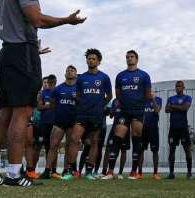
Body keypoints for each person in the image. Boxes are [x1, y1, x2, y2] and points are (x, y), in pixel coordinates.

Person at [0, 0, 86, 188]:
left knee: (6, 114)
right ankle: (13, 174)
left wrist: (31, 49)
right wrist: (66, 20)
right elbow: (37, 19)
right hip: (21, 54)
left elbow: (21, 24)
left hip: (10, 52)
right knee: (22, 113)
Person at [63, 49, 112, 180]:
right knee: (74, 139)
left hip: (97, 115)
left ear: (99, 61)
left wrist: (100, 106)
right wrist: (84, 103)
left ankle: (89, 171)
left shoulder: (104, 77)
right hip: (82, 114)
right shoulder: (81, 78)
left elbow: (110, 96)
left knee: (94, 142)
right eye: (89, 58)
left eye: (93, 59)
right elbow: (78, 96)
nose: (91, 60)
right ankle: (71, 170)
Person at [114, 50, 153, 179]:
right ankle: (110, 172)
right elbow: (118, 95)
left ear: (136, 59)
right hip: (124, 112)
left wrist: (140, 103)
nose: (129, 59)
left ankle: (134, 172)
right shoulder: (120, 76)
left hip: (137, 112)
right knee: (117, 138)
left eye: (131, 57)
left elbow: (148, 95)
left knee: (137, 139)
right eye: (127, 57)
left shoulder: (144, 75)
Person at [47, 66, 78, 179]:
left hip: (73, 122)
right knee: (53, 145)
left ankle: (67, 170)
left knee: (70, 146)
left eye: (72, 70)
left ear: (76, 74)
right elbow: (52, 105)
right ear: (65, 74)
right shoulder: (58, 89)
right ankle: (47, 171)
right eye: (68, 70)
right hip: (59, 122)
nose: (70, 72)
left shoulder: (79, 89)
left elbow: (83, 104)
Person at [166, 80, 192, 179]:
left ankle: (189, 173)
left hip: (183, 128)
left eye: (180, 86)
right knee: (172, 150)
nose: (178, 88)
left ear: (183, 87)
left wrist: (172, 106)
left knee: (187, 150)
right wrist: (179, 107)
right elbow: (166, 110)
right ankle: (171, 173)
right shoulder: (170, 98)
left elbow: (185, 108)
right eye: (176, 86)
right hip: (173, 128)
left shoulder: (187, 97)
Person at [33, 75, 57, 179]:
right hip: (43, 124)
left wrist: (46, 106)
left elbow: (57, 106)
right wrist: (49, 106)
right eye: (46, 82)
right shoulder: (43, 93)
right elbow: (39, 107)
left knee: (51, 147)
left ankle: (52, 171)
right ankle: (31, 170)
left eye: (50, 82)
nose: (48, 84)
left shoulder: (57, 92)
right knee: (37, 146)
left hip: (54, 124)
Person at [139, 93, 163, 179]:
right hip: (143, 129)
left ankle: (155, 174)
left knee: (155, 151)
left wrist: (153, 99)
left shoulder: (158, 99)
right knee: (141, 150)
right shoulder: (142, 100)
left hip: (153, 129)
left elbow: (157, 111)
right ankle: (139, 173)